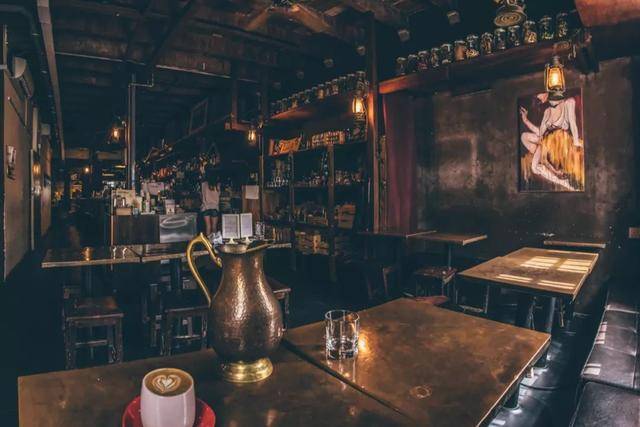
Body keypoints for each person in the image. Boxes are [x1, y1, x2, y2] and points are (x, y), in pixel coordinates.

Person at [520, 92, 583, 191]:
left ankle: (564, 182)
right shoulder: (547, 111)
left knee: (534, 167)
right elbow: (540, 132)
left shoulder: (568, 102)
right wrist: (525, 120)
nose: (540, 100)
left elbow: (573, 123)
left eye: (540, 96)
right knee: (524, 136)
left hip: (557, 142)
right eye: (538, 99)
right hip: (545, 142)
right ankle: (556, 174)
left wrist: (576, 141)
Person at [201, 165, 220, 237]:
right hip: (215, 207)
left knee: (208, 226)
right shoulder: (217, 184)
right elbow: (219, 194)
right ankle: (214, 241)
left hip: (206, 207)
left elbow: (202, 194)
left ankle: (208, 242)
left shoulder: (204, 183)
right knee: (214, 227)